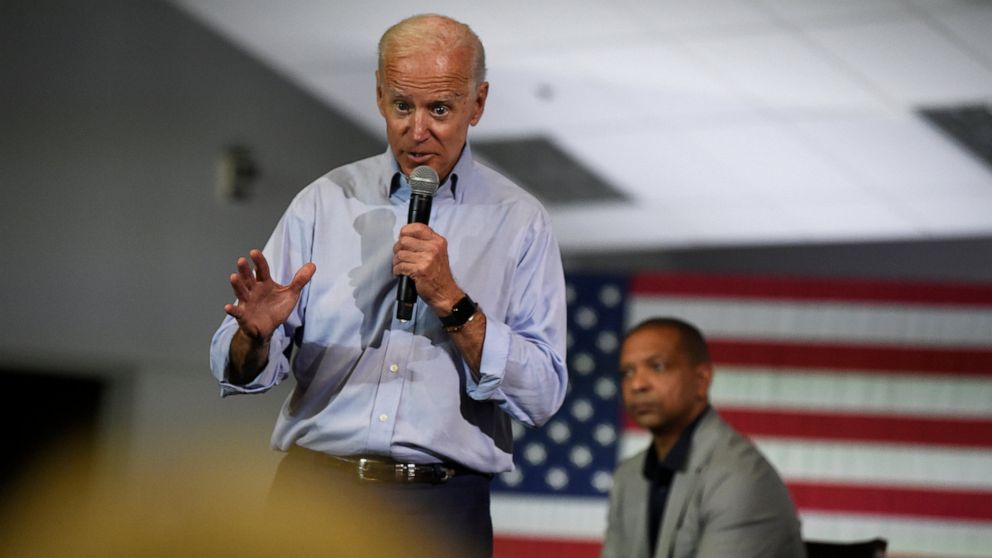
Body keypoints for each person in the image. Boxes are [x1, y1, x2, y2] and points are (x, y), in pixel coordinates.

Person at [208, 14, 568, 558]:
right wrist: (254, 339)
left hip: (443, 511)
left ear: (479, 103)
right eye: (402, 105)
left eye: (440, 109)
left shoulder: (520, 221)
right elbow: (234, 366)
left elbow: (541, 394)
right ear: (380, 97)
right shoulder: (325, 201)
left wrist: (453, 302)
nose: (417, 130)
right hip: (314, 498)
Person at [601, 318, 804, 558]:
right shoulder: (628, 476)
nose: (637, 384)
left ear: (701, 380)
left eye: (657, 366)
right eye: (627, 372)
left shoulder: (739, 478)